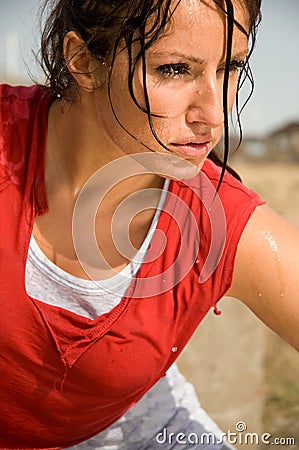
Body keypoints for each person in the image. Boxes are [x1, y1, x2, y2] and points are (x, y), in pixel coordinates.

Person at [0, 0, 298, 448]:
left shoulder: (219, 221)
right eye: (176, 69)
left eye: (230, 67)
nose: (213, 114)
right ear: (83, 61)